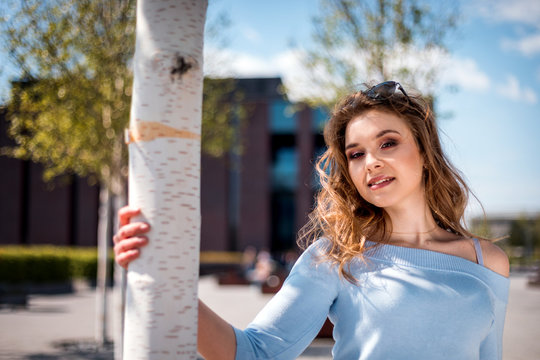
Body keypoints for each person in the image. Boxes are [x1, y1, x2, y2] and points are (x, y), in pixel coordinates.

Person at [113, 81, 510, 360]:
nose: (371, 161)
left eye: (388, 143)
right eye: (356, 153)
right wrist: (167, 281)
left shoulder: (487, 259)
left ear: (424, 152)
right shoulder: (337, 257)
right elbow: (254, 352)